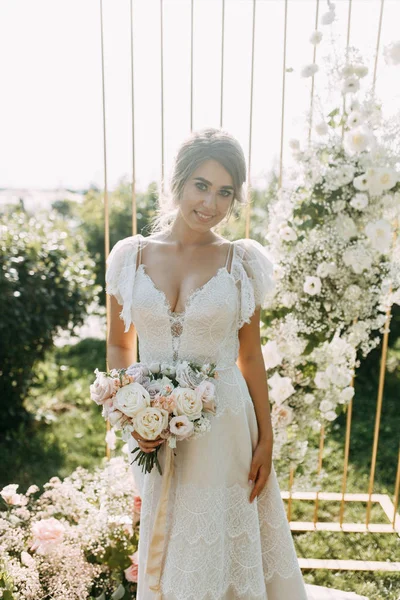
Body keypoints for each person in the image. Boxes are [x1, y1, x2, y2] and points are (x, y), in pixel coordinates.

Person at [105, 128, 309, 599]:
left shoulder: (241, 262)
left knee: (218, 544)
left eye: (225, 192)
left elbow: (250, 354)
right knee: (168, 537)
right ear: (176, 182)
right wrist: (132, 409)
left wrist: (267, 438)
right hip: (154, 428)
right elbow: (120, 345)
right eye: (201, 185)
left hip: (226, 429)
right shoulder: (129, 257)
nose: (211, 204)